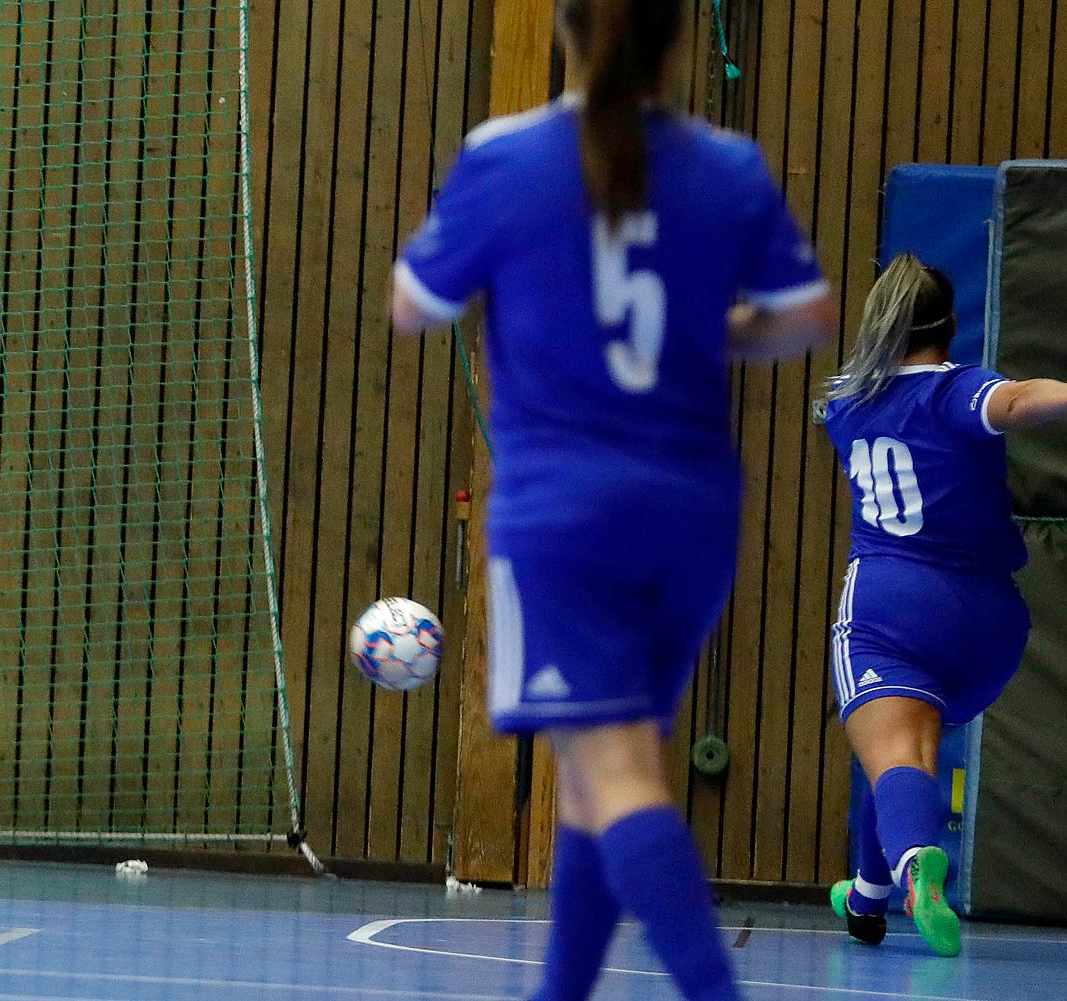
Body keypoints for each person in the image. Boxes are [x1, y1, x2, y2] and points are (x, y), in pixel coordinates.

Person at [391, 1, 837, 997]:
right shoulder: (728, 164)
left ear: (565, 28)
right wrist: (699, 329)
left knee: (619, 774)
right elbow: (808, 316)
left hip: (564, 517)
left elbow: (413, 302)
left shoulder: (506, 155)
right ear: (679, 40)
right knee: (600, 774)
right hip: (691, 514)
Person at [822, 252, 1067, 956]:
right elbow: (1016, 402)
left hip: (893, 603)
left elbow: (993, 401)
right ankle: (867, 899)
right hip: (991, 622)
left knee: (895, 748)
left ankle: (912, 862)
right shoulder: (957, 392)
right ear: (951, 326)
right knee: (903, 753)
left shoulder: (845, 403)